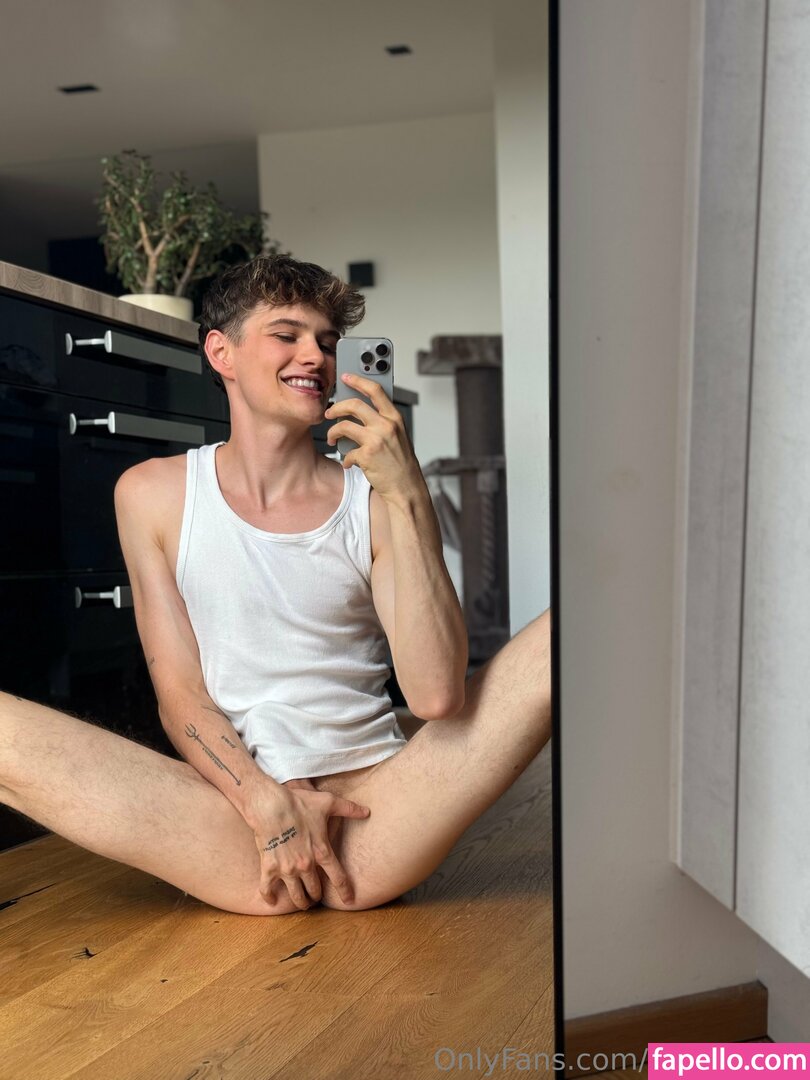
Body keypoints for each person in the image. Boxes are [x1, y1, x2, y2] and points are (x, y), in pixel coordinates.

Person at [0, 255, 551, 916]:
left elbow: (435, 695)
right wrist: (267, 804)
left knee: (565, 630)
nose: (314, 356)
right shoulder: (150, 495)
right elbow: (181, 694)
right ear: (221, 352)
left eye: (327, 341)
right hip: (241, 823)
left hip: (379, 818)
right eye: (287, 335)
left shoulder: (374, 502)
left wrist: (408, 494)